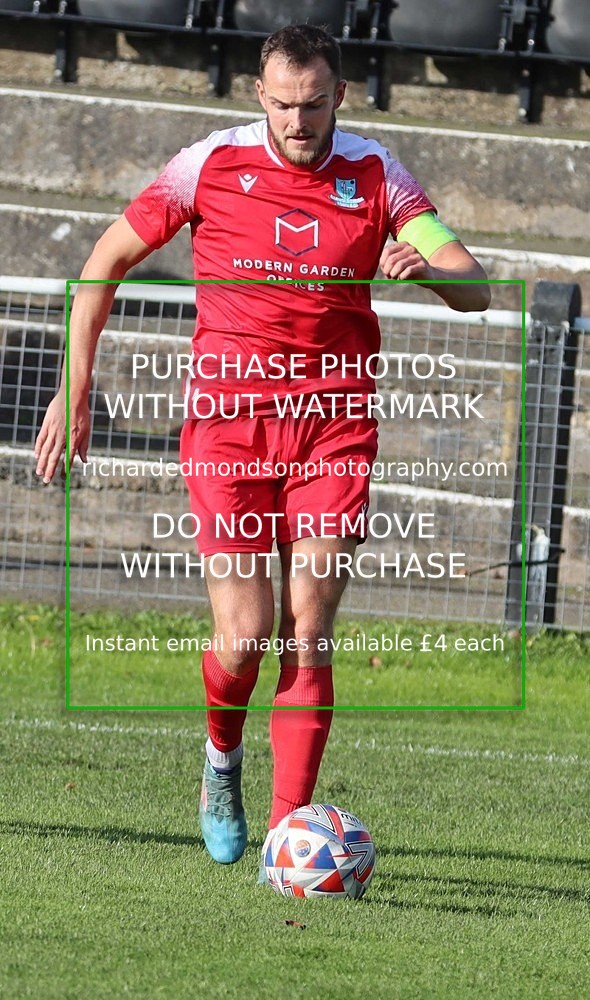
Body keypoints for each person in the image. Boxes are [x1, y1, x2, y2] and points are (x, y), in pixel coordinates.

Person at [34, 24, 490, 873]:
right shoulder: (208, 164)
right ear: (258, 96)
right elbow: (106, 261)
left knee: (307, 627)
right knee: (242, 639)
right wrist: (76, 380)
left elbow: (475, 284)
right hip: (229, 428)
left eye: (314, 104)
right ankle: (220, 761)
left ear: (340, 97)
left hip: (333, 428)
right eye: (282, 104)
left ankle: (292, 836)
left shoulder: (375, 173)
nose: (298, 121)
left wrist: (427, 268)